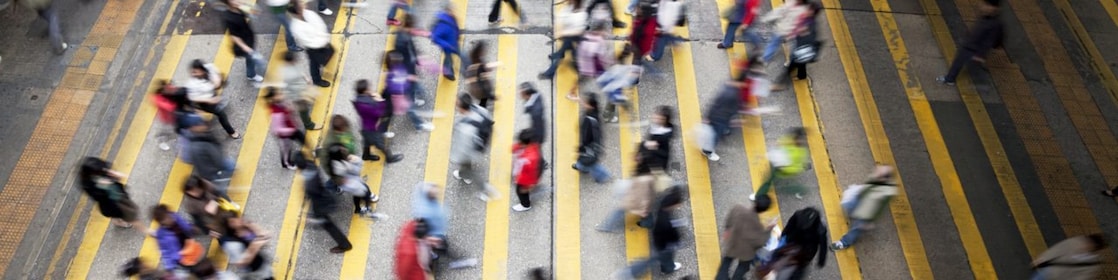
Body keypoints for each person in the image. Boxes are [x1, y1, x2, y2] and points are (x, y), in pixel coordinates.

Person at [618, 186, 687, 278]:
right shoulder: (666, 222)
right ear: (674, 204)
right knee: (655, 259)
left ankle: (667, 267)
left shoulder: (664, 205)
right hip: (663, 245)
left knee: (658, 258)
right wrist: (677, 240)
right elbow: (671, 234)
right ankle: (631, 272)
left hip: (658, 239)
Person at [936, 0, 1004, 86]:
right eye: (984, 4)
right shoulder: (986, 17)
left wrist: (980, 55)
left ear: (995, 8)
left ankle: (950, 79)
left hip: (973, 48)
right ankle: (950, 78)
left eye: (987, 5)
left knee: (962, 62)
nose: (983, 7)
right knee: (961, 62)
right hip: (970, 44)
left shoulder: (994, 24)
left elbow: (988, 42)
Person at [831, 165, 898, 251]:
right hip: (860, 200)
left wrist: (869, 221)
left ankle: (844, 242)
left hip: (866, 212)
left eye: (879, 173)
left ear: (884, 179)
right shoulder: (877, 178)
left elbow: (878, 209)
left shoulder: (885, 193)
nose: (876, 172)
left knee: (857, 228)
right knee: (847, 206)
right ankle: (853, 216)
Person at [296, 154, 353, 253]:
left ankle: (345, 244)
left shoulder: (310, 183)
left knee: (328, 225)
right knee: (324, 222)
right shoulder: (311, 165)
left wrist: (315, 216)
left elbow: (314, 194)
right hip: (325, 197)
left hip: (321, 204)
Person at [451, 94, 500, 200]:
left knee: (468, 168)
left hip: (471, 152)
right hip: (482, 144)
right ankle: (464, 174)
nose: (455, 105)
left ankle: (484, 189)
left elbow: (463, 150)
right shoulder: (480, 109)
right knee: (466, 167)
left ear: (462, 108)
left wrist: (454, 158)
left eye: (457, 104)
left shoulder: (465, 128)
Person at [78, 157, 145, 232]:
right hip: (112, 201)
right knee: (126, 214)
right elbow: (98, 197)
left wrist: (113, 176)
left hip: (117, 194)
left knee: (120, 211)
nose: (104, 170)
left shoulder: (101, 169)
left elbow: (113, 176)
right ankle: (121, 222)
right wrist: (104, 185)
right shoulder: (88, 184)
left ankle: (117, 220)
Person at [716, 195, 773, 280]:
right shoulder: (758, 227)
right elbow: (761, 242)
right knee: (743, 267)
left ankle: (721, 278)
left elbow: (729, 220)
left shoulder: (738, 208)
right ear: (764, 210)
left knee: (726, 262)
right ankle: (737, 278)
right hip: (746, 252)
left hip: (732, 243)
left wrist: (727, 229)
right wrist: (769, 229)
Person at [761, 207, 827, 280]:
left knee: (796, 269)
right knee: (778, 257)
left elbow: (823, 247)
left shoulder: (820, 229)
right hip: (794, 244)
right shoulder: (799, 215)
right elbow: (788, 227)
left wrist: (821, 260)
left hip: (803, 250)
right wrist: (783, 237)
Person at [184, 59, 241, 139]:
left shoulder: (209, 67)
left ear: (202, 70)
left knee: (220, 101)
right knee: (221, 114)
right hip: (205, 102)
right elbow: (193, 97)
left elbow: (216, 76)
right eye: (193, 72)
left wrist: (217, 80)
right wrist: (209, 100)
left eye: (196, 72)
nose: (194, 74)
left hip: (211, 94)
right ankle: (231, 132)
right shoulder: (192, 84)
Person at [772, 2, 821, 91]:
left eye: (810, 9)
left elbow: (809, 37)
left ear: (813, 12)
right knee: (801, 63)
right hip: (800, 47)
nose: (807, 10)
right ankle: (802, 75)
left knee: (790, 66)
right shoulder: (807, 19)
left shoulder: (811, 24)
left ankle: (780, 84)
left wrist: (802, 32)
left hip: (801, 49)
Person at [353, 79, 404, 163]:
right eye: (368, 88)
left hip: (365, 126)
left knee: (367, 141)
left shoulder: (358, 100)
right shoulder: (367, 104)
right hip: (372, 128)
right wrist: (380, 101)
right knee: (381, 144)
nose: (370, 89)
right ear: (365, 91)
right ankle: (390, 158)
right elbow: (379, 113)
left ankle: (366, 155)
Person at [185, 119, 236, 200]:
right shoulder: (198, 144)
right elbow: (215, 158)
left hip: (214, 164)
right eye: (199, 124)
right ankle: (224, 198)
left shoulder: (198, 138)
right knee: (219, 185)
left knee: (230, 165)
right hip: (213, 170)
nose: (203, 125)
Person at [753, 128, 810, 199]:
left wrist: (784, 168)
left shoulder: (800, 153)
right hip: (778, 164)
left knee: (774, 184)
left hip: (783, 169)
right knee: (769, 180)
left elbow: (796, 168)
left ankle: (758, 196)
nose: (797, 140)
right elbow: (781, 143)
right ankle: (800, 190)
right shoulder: (790, 139)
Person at [385, 50, 435, 132]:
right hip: (401, 98)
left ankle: (414, 104)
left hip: (407, 90)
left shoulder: (397, 67)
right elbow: (395, 89)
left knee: (412, 101)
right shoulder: (391, 77)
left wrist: (408, 77)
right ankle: (419, 125)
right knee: (412, 111)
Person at [325, 143, 380, 216]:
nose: (345, 150)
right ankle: (362, 207)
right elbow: (355, 170)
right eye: (342, 150)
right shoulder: (338, 166)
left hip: (348, 178)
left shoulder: (339, 161)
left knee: (360, 192)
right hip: (347, 180)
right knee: (363, 190)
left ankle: (359, 207)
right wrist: (354, 162)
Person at [289, 3, 335, 88]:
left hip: (322, 42)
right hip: (313, 48)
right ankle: (316, 80)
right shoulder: (296, 27)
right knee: (314, 63)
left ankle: (321, 67)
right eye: (300, 5)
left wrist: (324, 38)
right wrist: (322, 42)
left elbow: (321, 25)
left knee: (329, 53)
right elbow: (308, 41)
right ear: (298, 11)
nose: (303, 5)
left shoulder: (309, 14)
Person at [539, 0, 586, 80]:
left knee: (566, 56)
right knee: (573, 56)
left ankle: (550, 73)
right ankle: (580, 70)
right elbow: (561, 17)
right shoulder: (569, 7)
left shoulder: (581, 14)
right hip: (568, 37)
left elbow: (579, 31)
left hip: (574, 39)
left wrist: (563, 33)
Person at [220, 0, 265, 85]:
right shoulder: (228, 18)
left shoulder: (239, 9)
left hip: (248, 37)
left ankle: (250, 72)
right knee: (251, 58)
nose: (237, 1)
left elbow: (254, 13)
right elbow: (234, 36)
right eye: (233, 1)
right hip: (243, 44)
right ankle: (251, 75)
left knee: (250, 58)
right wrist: (247, 49)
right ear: (228, 3)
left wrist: (250, 9)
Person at [151, 204, 202, 276]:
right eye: (166, 218)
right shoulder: (162, 235)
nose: (170, 218)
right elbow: (165, 252)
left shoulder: (175, 216)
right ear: (161, 222)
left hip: (188, 244)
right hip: (182, 255)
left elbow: (184, 224)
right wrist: (169, 267)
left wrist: (191, 228)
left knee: (198, 260)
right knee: (193, 268)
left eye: (168, 215)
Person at [700, 80, 744, 161]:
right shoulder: (731, 95)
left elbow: (716, 104)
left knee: (716, 133)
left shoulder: (729, 90)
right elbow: (718, 106)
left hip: (721, 118)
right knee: (715, 136)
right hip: (720, 119)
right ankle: (707, 151)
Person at [1031, 234, 1108, 280]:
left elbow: (1081, 278)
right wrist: (1042, 258)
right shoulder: (1074, 242)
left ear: (1094, 249)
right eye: (1087, 242)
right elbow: (1056, 249)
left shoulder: (1094, 264)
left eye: (1089, 245)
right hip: (1048, 271)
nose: (1084, 245)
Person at [573, 93, 611, 183]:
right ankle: (582, 166)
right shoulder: (593, 113)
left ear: (591, 106)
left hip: (590, 148)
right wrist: (579, 100)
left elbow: (586, 138)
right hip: (592, 146)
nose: (584, 104)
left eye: (586, 103)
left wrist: (581, 147)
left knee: (591, 164)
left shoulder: (590, 120)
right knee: (587, 162)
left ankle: (603, 176)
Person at [571, 22, 614, 100]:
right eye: (603, 31)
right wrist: (609, 61)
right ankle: (571, 93)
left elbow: (581, 51)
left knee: (583, 80)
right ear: (599, 31)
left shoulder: (588, 36)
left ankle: (572, 92)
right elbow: (600, 56)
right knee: (583, 80)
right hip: (590, 67)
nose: (605, 33)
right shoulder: (598, 40)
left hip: (587, 66)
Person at [265, 88, 306, 169]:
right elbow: (277, 130)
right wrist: (290, 130)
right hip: (285, 135)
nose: (281, 95)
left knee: (303, 138)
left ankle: (311, 150)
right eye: (278, 94)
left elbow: (290, 109)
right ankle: (286, 164)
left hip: (292, 127)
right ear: (273, 98)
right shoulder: (275, 113)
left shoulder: (282, 101)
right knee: (286, 150)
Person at [596, 53, 642, 123]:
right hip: (612, 91)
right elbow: (614, 92)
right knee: (613, 103)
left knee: (613, 102)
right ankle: (607, 117)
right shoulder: (623, 77)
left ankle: (608, 115)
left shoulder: (618, 70)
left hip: (609, 85)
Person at [280, 51, 320, 130]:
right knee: (303, 110)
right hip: (298, 94)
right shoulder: (287, 74)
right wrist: (291, 100)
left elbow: (299, 71)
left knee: (308, 101)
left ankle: (306, 103)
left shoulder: (293, 65)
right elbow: (286, 88)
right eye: (294, 59)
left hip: (303, 88)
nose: (296, 60)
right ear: (290, 61)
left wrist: (306, 78)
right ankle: (308, 125)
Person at [394, 14, 428, 106]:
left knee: (413, 81)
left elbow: (411, 49)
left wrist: (417, 59)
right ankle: (412, 100)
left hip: (409, 63)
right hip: (407, 66)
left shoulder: (403, 34)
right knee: (411, 83)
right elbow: (402, 55)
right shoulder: (403, 40)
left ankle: (417, 91)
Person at [431, 4, 467, 81]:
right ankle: (447, 73)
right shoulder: (442, 24)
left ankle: (468, 68)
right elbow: (435, 37)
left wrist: (458, 36)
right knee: (448, 60)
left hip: (454, 43)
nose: (454, 11)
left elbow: (455, 27)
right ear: (447, 11)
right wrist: (446, 45)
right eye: (452, 10)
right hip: (448, 46)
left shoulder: (452, 17)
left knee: (463, 56)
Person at [512, 130, 542, 211]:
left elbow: (532, 173)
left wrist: (529, 185)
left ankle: (525, 205)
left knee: (521, 191)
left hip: (524, 179)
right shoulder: (532, 146)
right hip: (521, 174)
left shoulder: (530, 158)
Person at [638, 106, 675, 173]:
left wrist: (650, 147)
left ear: (664, 120)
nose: (655, 117)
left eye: (659, 117)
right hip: (650, 157)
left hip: (656, 163)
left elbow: (663, 154)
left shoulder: (663, 136)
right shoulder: (656, 126)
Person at [465, 42, 498, 109]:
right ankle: (482, 107)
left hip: (475, 88)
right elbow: (481, 83)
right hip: (480, 91)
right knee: (484, 99)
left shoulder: (473, 58)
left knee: (484, 98)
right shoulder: (478, 66)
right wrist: (491, 96)